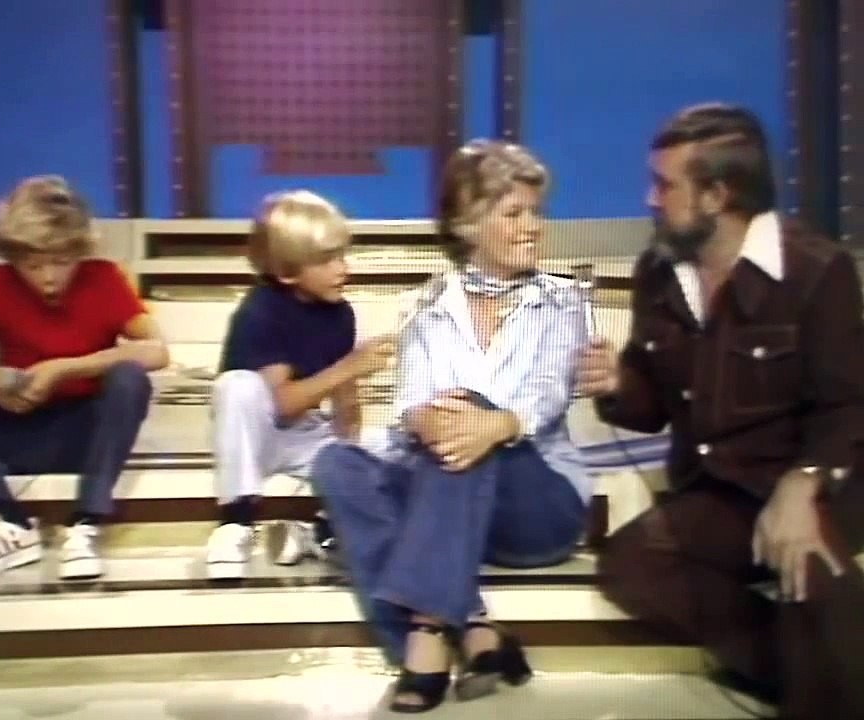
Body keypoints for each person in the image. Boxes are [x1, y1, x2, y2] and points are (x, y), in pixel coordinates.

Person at [576, 103, 864, 720]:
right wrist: (616, 384)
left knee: (808, 571)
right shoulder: (658, 273)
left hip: (817, 483)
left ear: (717, 195)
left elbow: (847, 409)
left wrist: (803, 485)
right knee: (632, 564)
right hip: (721, 490)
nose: (649, 199)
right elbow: (650, 409)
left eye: (664, 185)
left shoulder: (818, 271)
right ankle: (795, 670)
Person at [311, 140, 593, 713]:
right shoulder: (425, 306)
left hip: (537, 506)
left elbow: (547, 393)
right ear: (467, 224)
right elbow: (411, 407)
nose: (533, 227)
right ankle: (477, 627)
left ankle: (429, 632)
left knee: (467, 419)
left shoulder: (564, 301)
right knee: (336, 463)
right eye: (514, 213)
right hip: (452, 496)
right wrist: (428, 418)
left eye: (536, 212)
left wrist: (495, 424)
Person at [0, 176, 168, 581]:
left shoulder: (102, 278)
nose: (48, 277)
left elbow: (156, 350)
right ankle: (6, 523)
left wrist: (66, 367)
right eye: (33, 265)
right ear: (14, 258)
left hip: (85, 433)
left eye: (61, 262)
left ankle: (85, 525)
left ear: (78, 252)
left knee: (130, 378)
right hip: (15, 427)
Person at [207, 190, 394, 575]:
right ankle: (236, 522)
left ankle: (318, 530)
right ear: (288, 270)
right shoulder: (260, 311)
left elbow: (344, 408)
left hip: (304, 436)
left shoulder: (340, 314)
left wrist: (350, 450)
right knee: (238, 386)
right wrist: (350, 367)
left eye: (342, 255)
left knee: (396, 443)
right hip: (259, 437)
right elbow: (280, 404)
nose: (343, 268)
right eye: (327, 260)